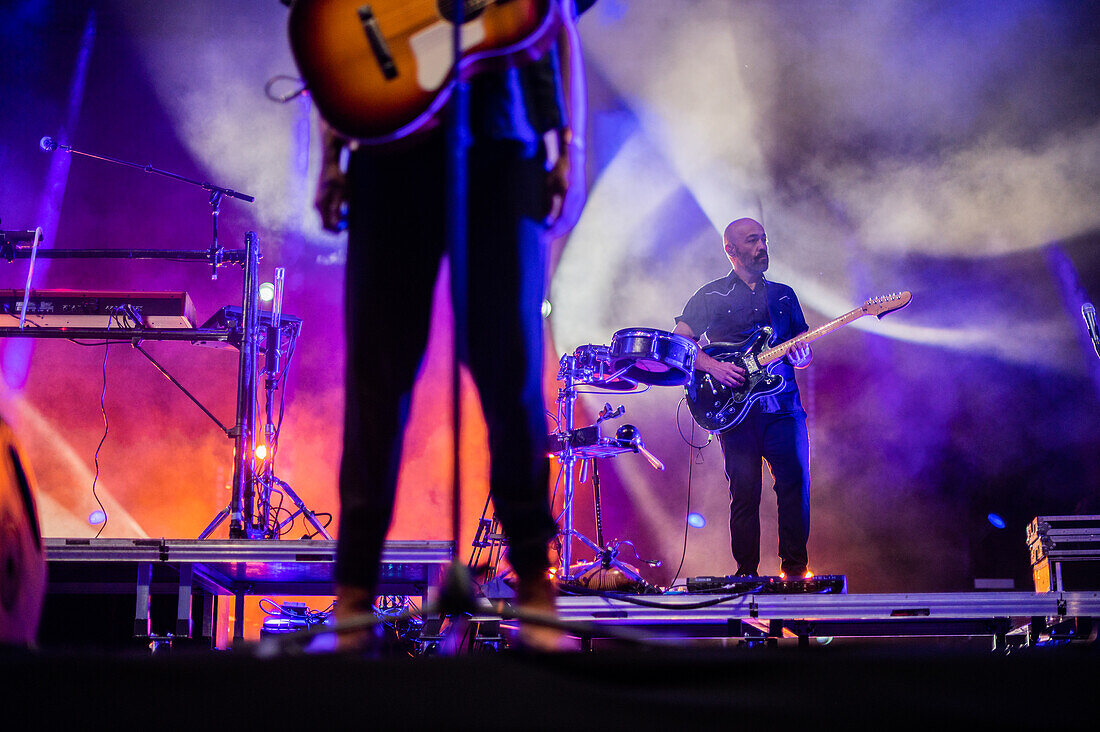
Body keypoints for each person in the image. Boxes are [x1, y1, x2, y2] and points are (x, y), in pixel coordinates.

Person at [314, 6, 591, 652]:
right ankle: (352, 597)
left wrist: (567, 144)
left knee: (514, 370)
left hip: (501, 145)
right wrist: (330, 153)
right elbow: (331, 36)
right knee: (377, 374)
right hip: (388, 146)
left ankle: (534, 590)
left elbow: (556, 25)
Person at [673, 218, 814, 579]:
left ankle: (795, 570)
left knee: (794, 484)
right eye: (753, 241)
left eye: (764, 239)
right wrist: (713, 368)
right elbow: (681, 340)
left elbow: (802, 346)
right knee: (745, 492)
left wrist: (803, 355)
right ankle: (746, 574)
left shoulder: (783, 294)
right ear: (730, 250)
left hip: (783, 404)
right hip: (735, 410)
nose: (762, 246)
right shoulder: (711, 295)